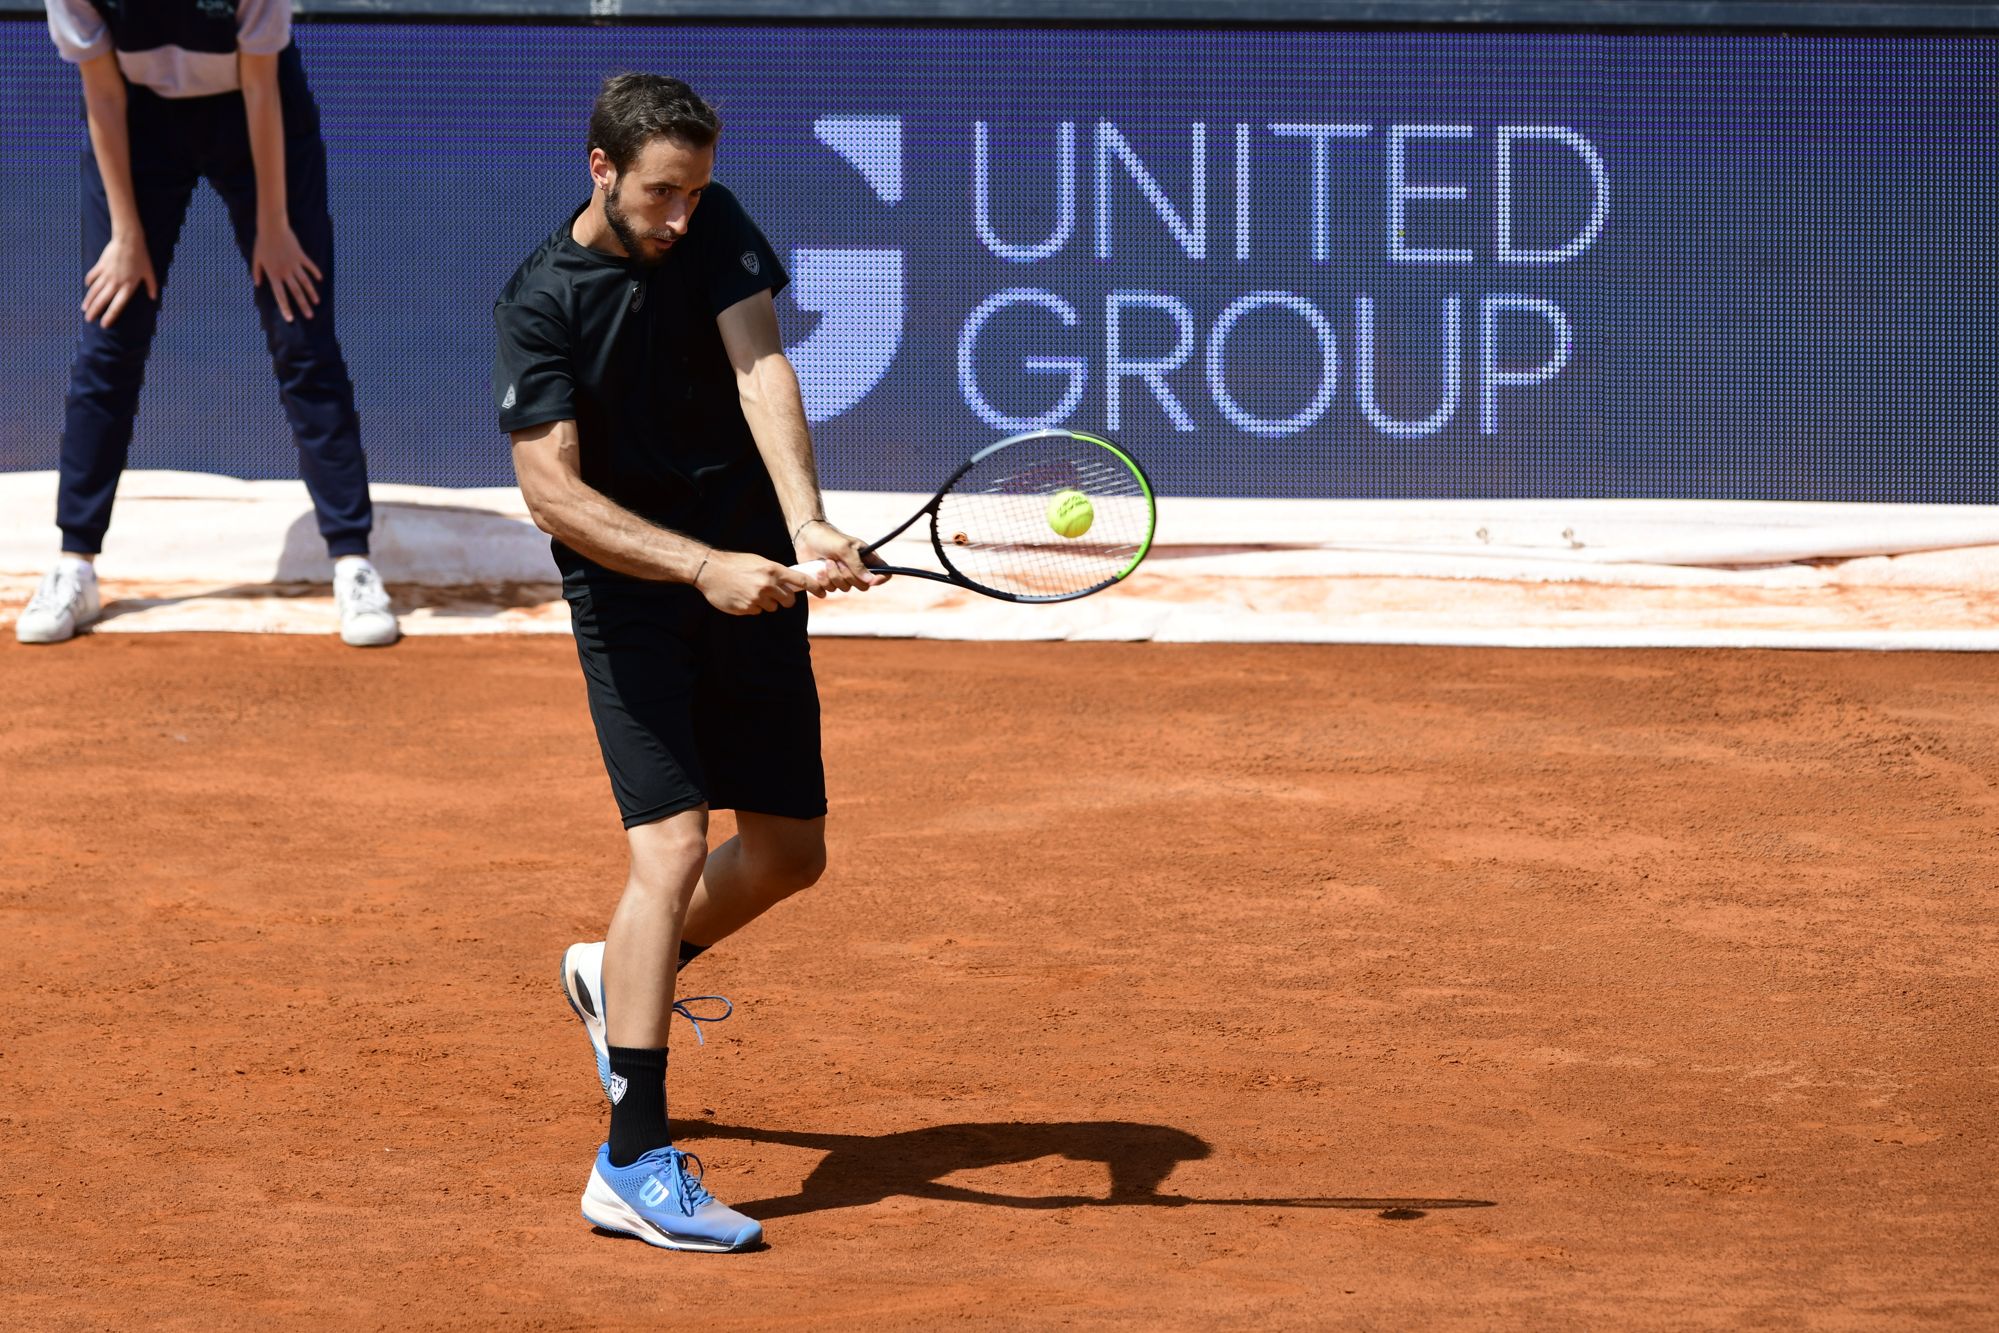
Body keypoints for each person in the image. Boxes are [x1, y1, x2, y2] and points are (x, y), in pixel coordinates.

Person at [494, 73, 882, 1253]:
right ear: (601, 170)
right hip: (631, 594)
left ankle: (618, 969)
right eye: (661, 193)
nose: (679, 215)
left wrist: (804, 520)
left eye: (694, 191)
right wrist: (700, 564)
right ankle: (633, 1157)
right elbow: (550, 491)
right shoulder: (542, 300)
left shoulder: (711, 224)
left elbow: (759, 366)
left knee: (786, 854)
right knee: (665, 848)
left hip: (750, 565)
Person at [20, 0, 396, 648]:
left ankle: (352, 562)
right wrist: (126, 232)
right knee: (110, 332)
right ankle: (74, 564)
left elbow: (260, 82)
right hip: (135, 122)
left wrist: (274, 226)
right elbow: (102, 95)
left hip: (252, 114)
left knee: (299, 326)